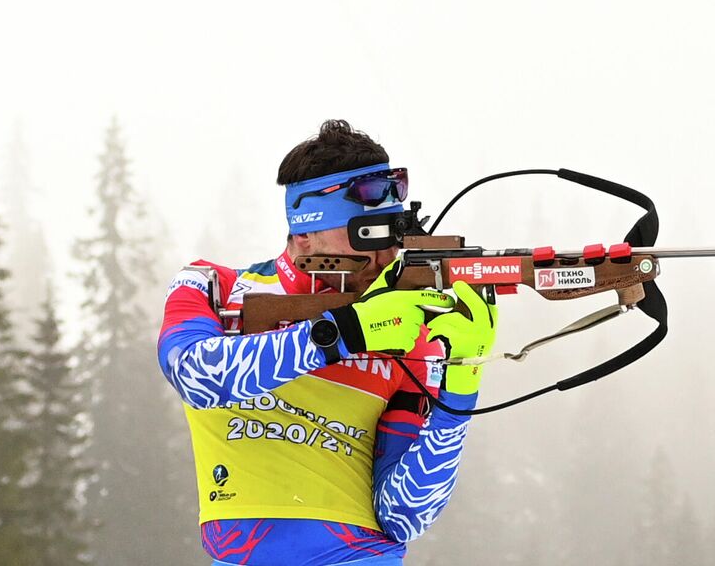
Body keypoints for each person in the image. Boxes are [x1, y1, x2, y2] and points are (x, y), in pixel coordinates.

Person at [157, 120, 499, 565]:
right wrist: (347, 332)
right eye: (366, 234)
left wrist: (463, 377)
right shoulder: (214, 287)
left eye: (392, 234)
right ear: (304, 233)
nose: (384, 256)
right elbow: (195, 376)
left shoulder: (409, 336)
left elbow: (404, 515)